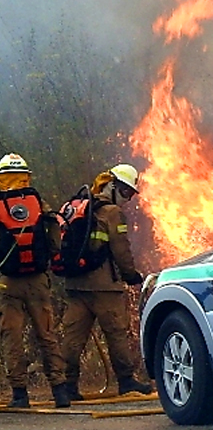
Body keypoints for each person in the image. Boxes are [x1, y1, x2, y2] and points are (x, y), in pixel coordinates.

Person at [60, 164, 152, 401]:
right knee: (116, 333)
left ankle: (67, 385)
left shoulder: (81, 206)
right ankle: (126, 380)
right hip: (104, 288)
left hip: (76, 285)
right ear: (111, 186)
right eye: (125, 192)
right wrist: (131, 275)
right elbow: (121, 249)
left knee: (72, 337)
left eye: (130, 195)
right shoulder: (111, 212)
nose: (127, 199)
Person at [0, 153, 70, 408]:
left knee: (12, 337)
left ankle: (20, 395)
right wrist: (49, 259)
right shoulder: (37, 201)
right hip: (38, 279)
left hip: (8, 281)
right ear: (26, 176)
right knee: (47, 335)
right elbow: (54, 237)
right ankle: (60, 392)